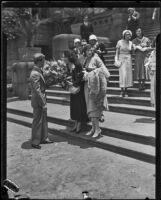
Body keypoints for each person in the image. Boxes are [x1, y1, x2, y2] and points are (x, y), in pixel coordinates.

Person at [83, 45, 110, 138]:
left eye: (90, 50)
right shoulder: (86, 60)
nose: (89, 52)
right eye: (87, 50)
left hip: (96, 86)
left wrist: (92, 72)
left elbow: (103, 70)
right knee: (89, 107)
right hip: (87, 85)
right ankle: (93, 128)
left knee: (94, 107)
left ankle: (98, 129)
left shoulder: (96, 58)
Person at [29, 53, 53, 149]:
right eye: (43, 60)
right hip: (39, 100)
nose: (45, 62)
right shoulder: (35, 73)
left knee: (43, 120)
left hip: (40, 99)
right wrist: (43, 103)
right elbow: (37, 90)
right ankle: (35, 142)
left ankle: (44, 138)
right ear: (39, 61)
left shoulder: (38, 71)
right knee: (37, 121)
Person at [63, 50, 89, 133]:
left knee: (79, 106)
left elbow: (81, 77)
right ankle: (75, 124)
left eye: (64, 57)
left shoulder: (77, 64)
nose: (63, 58)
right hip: (73, 88)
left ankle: (79, 125)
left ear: (69, 57)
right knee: (74, 107)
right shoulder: (69, 65)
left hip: (79, 89)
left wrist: (73, 83)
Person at [115, 30, 134, 97]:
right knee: (123, 75)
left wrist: (133, 49)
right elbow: (117, 52)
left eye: (129, 34)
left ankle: (125, 91)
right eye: (126, 34)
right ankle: (122, 91)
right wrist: (116, 60)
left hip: (128, 59)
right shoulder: (119, 42)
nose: (127, 35)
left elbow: (132, 52)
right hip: (121, 58)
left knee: (127, 75)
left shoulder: (131, 43)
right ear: (124, 35)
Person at [145, 39, 156, 110]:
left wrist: (152, 65)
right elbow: (149, 62)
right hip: (153, 73)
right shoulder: (152, 52)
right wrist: (148, 65)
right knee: (154, 90)